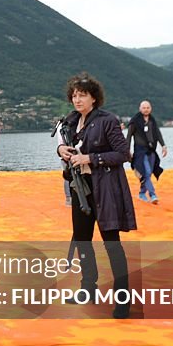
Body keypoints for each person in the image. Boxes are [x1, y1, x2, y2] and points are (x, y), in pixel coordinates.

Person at [56, 73, 136, 319]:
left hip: (105, 189)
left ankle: (123, 299)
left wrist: (90, 158)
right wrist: (62, 150)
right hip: (79, 189)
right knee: (82, 240)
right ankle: (87, 288)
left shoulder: (107, 120)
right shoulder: (71, 120)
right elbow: (61, 145)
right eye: (74, 95)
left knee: (112, 243)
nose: (77, 100)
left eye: (82, 95)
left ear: (94, 98)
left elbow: (124, 154)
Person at [126, 100, 167, 204]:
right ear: (140, 109)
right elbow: (129, 135)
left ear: (151, 108)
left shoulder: (152, 120)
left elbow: (157, 133)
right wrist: (127, 150)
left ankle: (142, 193)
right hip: (140, 150)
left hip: (151, 149)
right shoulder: (135, 121)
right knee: (146, 172)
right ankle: (153, 195)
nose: (146, 109)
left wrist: (163, 146)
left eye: (148, 107)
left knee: (149, 172)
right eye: (144, 108)